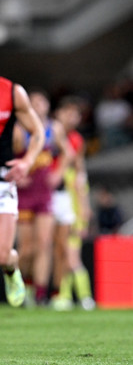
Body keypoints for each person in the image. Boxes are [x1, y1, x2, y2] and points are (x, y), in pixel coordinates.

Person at [14, 89, 71, 306]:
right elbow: (5, 155)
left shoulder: (53, 128)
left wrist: (58, 173)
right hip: (24, 194)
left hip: (44, 192)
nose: (38, 106)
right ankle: (23, 283)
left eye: (41, 102)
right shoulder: (19, 129)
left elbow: (68, 153)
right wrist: (16, 177)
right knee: (26, 248)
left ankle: (39, 293)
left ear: (47, 106)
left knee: (45, 243)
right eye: (34, 102)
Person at [0, 77, 44, 307]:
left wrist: (27, 162)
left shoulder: (12, 92)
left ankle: (11, 268)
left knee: (2, 255)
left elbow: (37, 131)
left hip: (3, 179)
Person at [50, 97, 95, 311]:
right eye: (68, 112)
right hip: (56, 199)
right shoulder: (48, 135)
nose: (72, 117)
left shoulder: (76, 141)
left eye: (75, 114)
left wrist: (84, 210)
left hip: (72, 203)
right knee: (61, 251)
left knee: (71, 254)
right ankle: (65, 296)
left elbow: (80, 176)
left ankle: (81, 297)